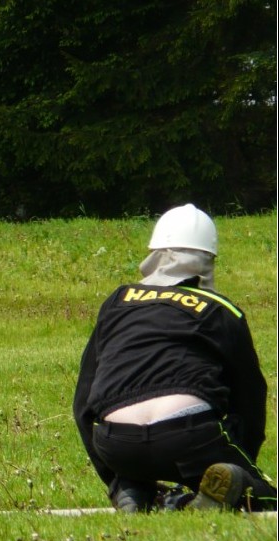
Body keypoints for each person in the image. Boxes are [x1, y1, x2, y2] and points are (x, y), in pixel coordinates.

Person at [73, 204, 276, 512]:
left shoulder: (117, 302)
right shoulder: (222, 309)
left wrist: (114, 478)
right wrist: (242, 461)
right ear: (207, 261)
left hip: (116, 443)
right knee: (263, 496)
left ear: (154, 256)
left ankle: (132, 489)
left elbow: (83, 403)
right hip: (190, 439)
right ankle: (226, 489)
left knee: (135, 469)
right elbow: (249, 398)